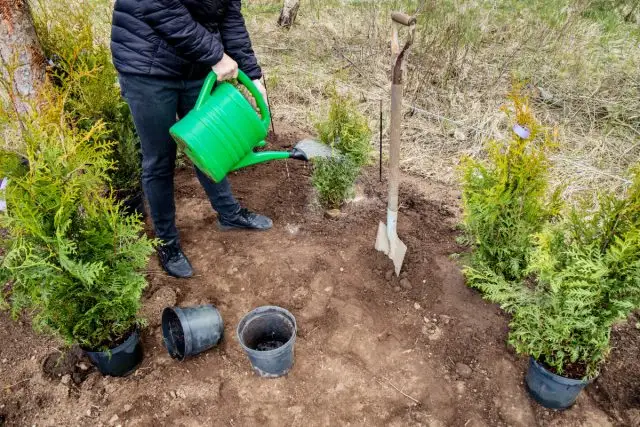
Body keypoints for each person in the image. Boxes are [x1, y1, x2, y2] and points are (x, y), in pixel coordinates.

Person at [111, 0, 272, 279]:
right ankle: (167, 243)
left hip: (196, 63)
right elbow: (159, 7)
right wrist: (216, 55)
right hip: (147, 65)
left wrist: (253, 75)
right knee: (160, 159)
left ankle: (228, 213)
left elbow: (229, 15)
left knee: (209, 142)